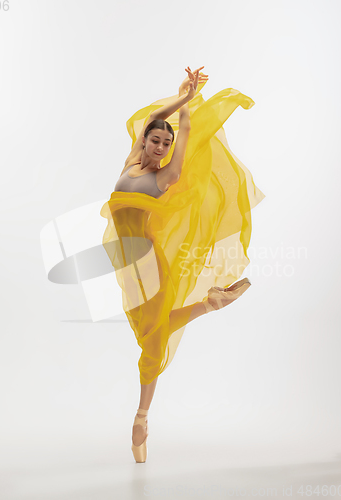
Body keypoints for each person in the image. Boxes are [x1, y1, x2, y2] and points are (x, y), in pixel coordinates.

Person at [100, 66, 265, 463]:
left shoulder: (165, 176)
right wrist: (183, 95)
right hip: (125, 262)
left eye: (163, 143)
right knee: (148, 332)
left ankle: (141, 420)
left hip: (147, 261)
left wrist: (188, 112)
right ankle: (211, 303)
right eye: (154, 140)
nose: (158, 145)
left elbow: (185, 136)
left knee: (151, 341)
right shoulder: (130, 166)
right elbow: (152, 125)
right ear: (146, 142)